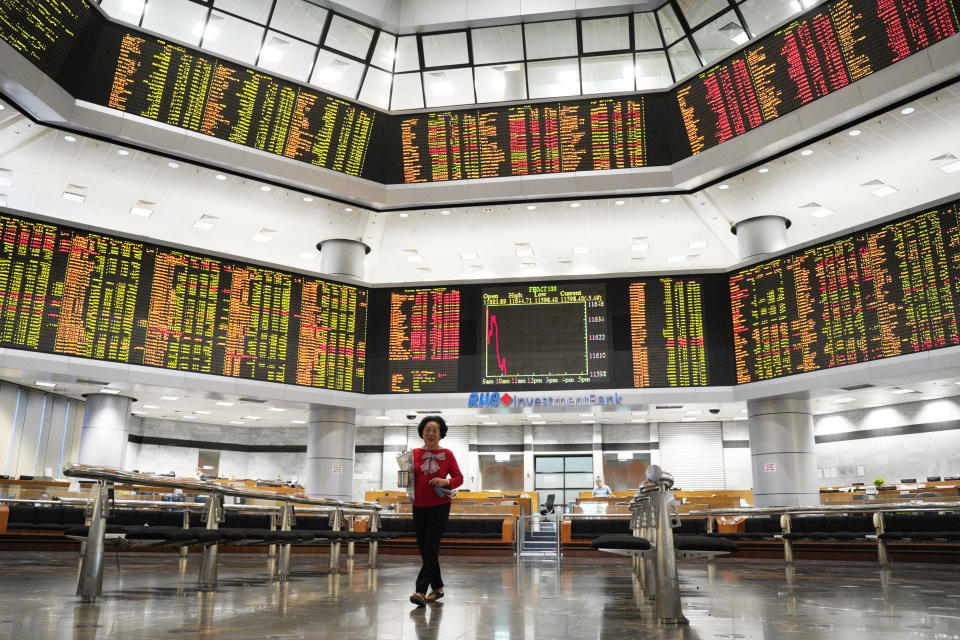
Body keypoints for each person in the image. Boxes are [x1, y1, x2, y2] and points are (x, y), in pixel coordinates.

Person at [409, 415, 463, 607]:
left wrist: (445, 481)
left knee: (431, 547)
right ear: (422, 433)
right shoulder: (412, 454)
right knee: (425, 549)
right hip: (418, 505)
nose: (431, 433)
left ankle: (420, 590)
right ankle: (438, 587)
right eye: (428, 429)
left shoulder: (447, 454)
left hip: (440, 505)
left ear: (441, 434)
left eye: (435, 430)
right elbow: (408, 480)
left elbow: (459, 478)